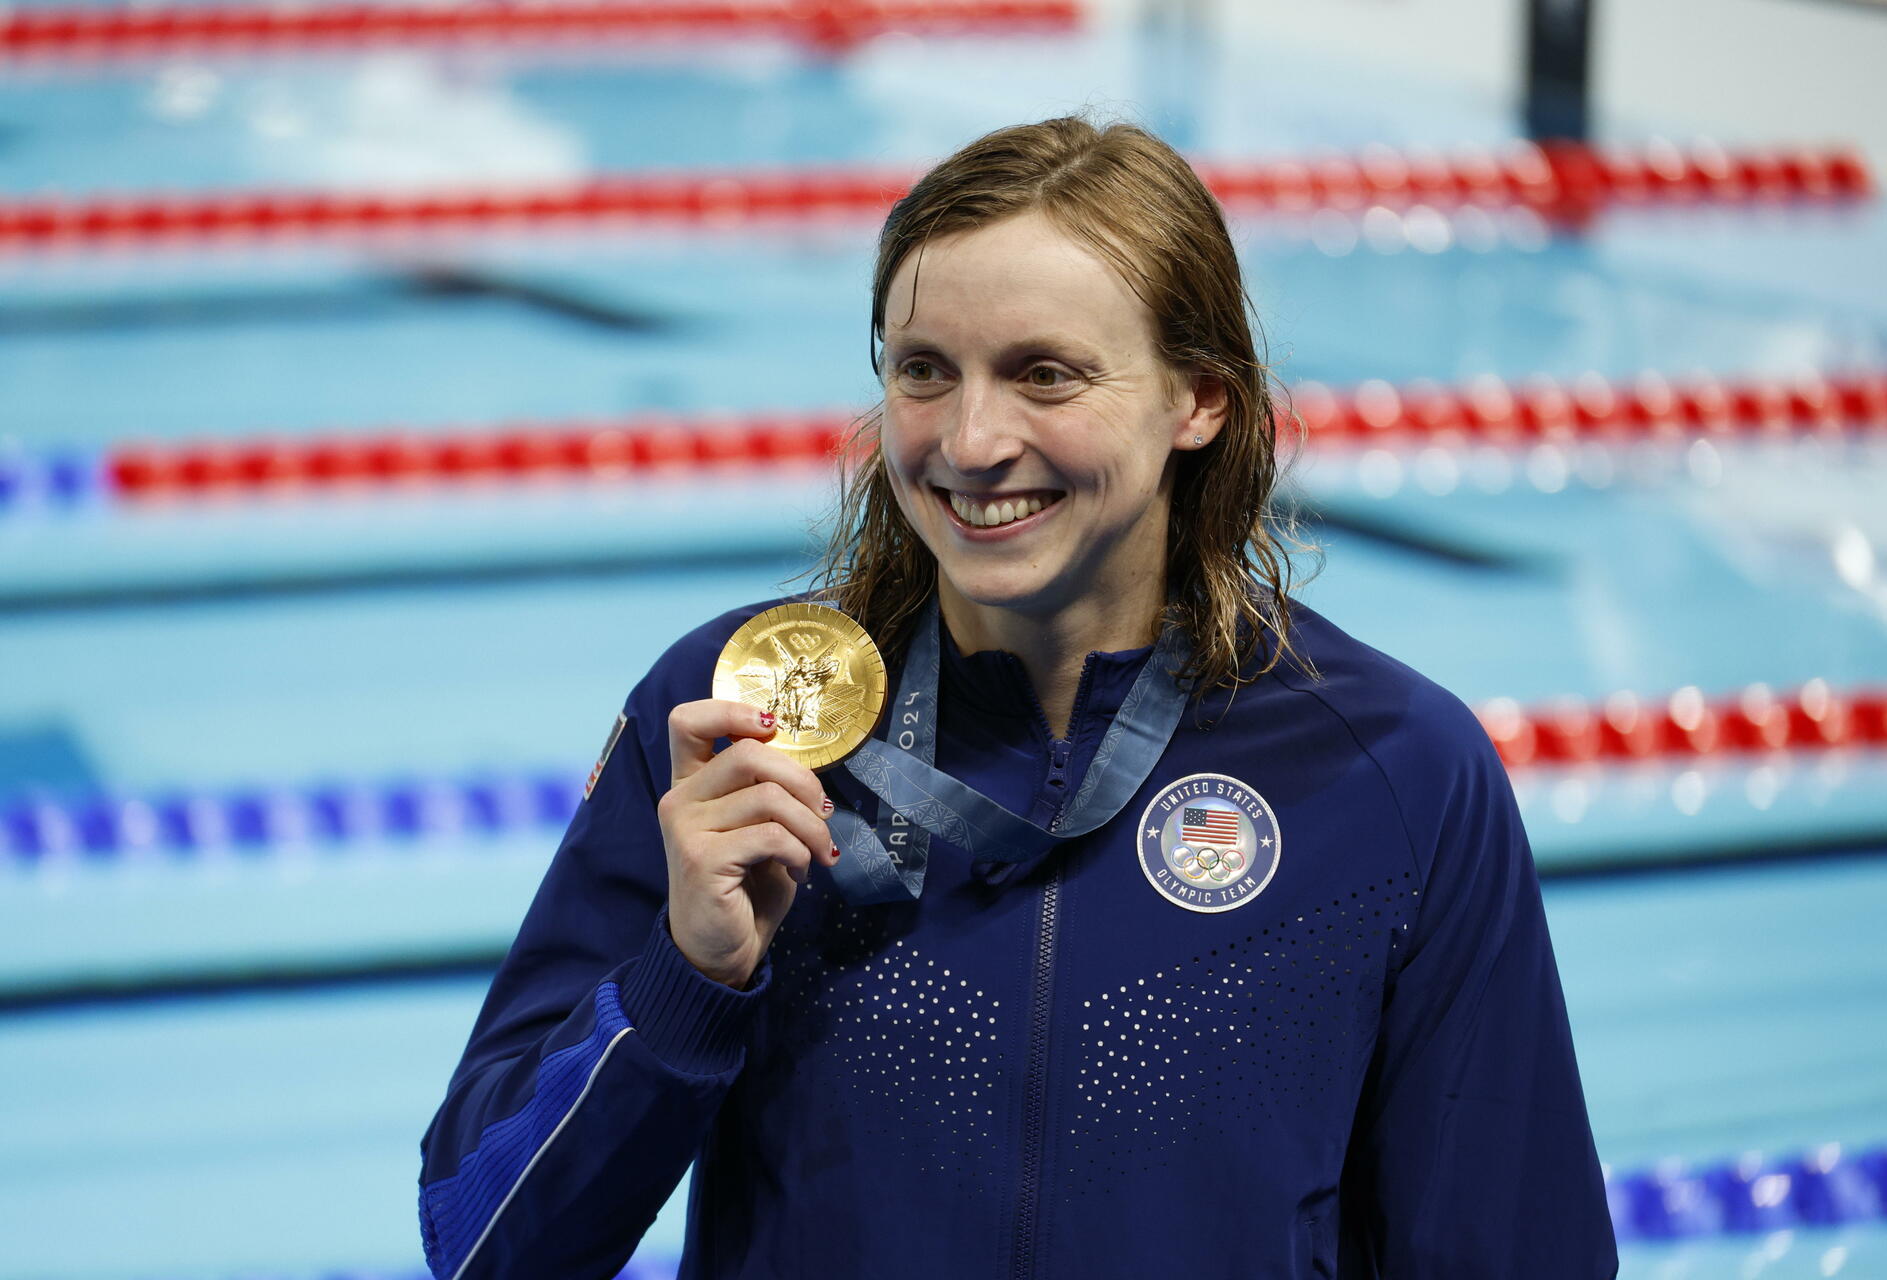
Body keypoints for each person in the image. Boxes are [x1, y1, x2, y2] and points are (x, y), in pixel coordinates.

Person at [417, 116, 1618, 1279]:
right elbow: (479, 1240)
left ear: (1197, 399)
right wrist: (687, 973)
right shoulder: (741, 716)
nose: (973, 440)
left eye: (1046, 374)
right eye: (925, 372)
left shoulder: (1395, 772)